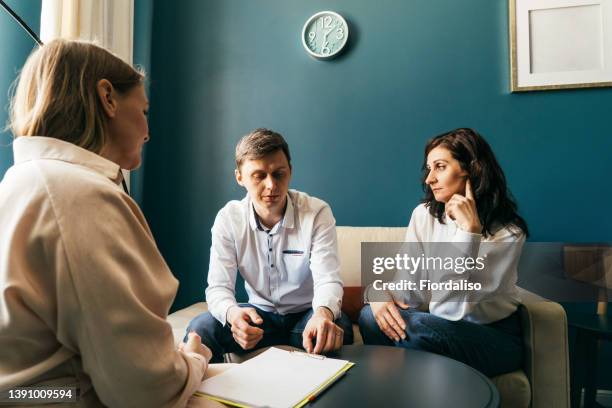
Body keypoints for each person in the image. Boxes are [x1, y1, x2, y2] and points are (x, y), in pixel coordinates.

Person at [0, 39, 214, 407]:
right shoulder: (79, 195)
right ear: (108, 98)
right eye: (144, 111)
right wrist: (194, 360)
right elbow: (147, 391)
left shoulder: (19, 183)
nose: (147, 131)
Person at [359, 128, 529, 377]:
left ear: (471, 169)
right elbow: (410, 294)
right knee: (369, 316)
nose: (429, 179)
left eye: (440, 167)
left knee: (418, 327)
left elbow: (450, 309)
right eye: (429, 168)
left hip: (493, 337)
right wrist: (377, 293)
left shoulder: (508, 234)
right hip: (437, 332)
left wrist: (468, 233)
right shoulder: (424, 216)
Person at [186, 128, 353, 362]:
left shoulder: (317, 212)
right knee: (201, 328)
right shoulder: (228, 219)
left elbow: (328, 280)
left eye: (278, 174)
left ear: (290, 172)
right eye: (259, 175)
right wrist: (234, 315)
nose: (271, 186)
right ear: (240, 177)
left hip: (306, 316)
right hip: (259, 317)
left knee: (335, 327)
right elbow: (218, 287)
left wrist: (323, 314)